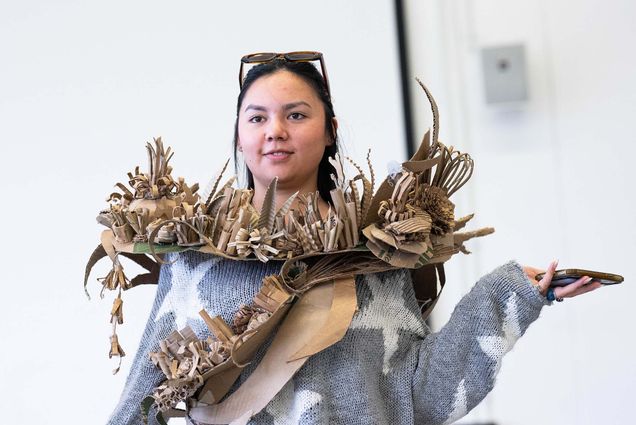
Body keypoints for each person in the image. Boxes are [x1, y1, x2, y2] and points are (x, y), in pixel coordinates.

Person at [107, 52, 601, 425]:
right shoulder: (196, 257)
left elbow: (420, 394)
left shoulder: (377, 250)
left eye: (296, 115)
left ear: (329, 131)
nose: (274, 131)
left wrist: (509, 293)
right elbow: (145, 394)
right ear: (239, 135)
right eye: (257, 117)